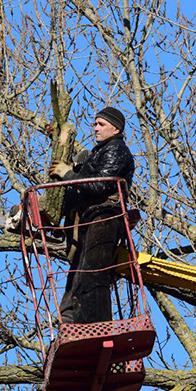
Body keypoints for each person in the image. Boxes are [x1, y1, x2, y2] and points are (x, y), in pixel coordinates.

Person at [48, 107, 135, 324]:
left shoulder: (116, 149)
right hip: (91, 218)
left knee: (94, 273)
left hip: (105, 216)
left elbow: (98, 185)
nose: (95, 128)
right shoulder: (99, 152)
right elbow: (85, 177)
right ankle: (69, 322)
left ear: (116, 129)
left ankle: (96, 326)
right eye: (95, 123)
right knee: (77, 274)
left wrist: (68, 174)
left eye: (101, 124)